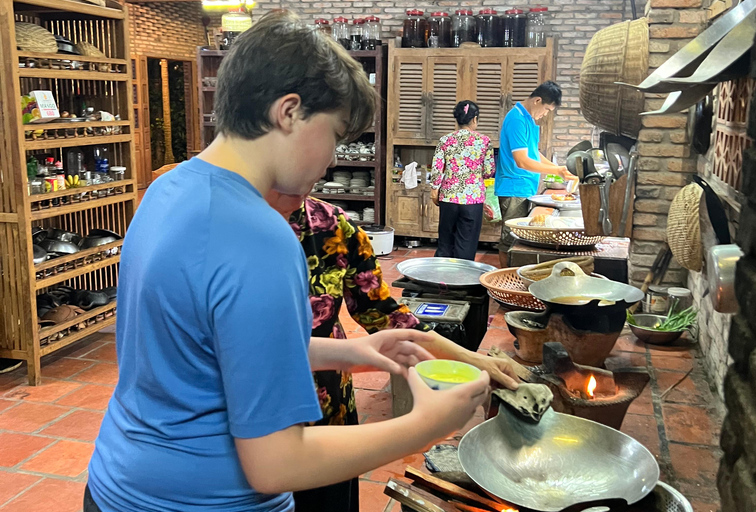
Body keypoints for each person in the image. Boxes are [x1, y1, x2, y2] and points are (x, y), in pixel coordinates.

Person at [84, 12, 490, 512]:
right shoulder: (260, 236)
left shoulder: (168, 188)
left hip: (118, 485)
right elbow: (276, 464)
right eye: (335, 135)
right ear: (289, 112)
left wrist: (353, 352)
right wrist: (424, 425)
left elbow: (211, 350)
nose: (332, 160)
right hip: (204, 502)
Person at [264, 193, 521, 512]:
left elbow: (383, 313)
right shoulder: (215, 230)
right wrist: (424, 427)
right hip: (256, 423)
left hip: (326, 403)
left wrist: (473, 360)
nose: (330, 160)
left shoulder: (330, 225)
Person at [495, 81, 576, 267]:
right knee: (510, 239)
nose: (545, 114)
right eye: (546, 109)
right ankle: (505, 278)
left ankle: (513, 275)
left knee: (517, 238)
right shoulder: (517, 119)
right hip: (514, 187)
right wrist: (556, 170)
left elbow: (534, 153)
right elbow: (522, 161)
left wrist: (560, 170)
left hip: (525, 186)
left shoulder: (529, 119)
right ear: (537, 100)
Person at [430, 100, 496, 261]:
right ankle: (462, 282)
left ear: (457, 120)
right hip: (472, 200)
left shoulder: (445, 140)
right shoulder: (484, 141)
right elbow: (489, 172)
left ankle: (440, 280)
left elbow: (437, 169)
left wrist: (434, 190)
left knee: (445, 242)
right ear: (474, 119)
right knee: (466, 244)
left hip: (448, 197)